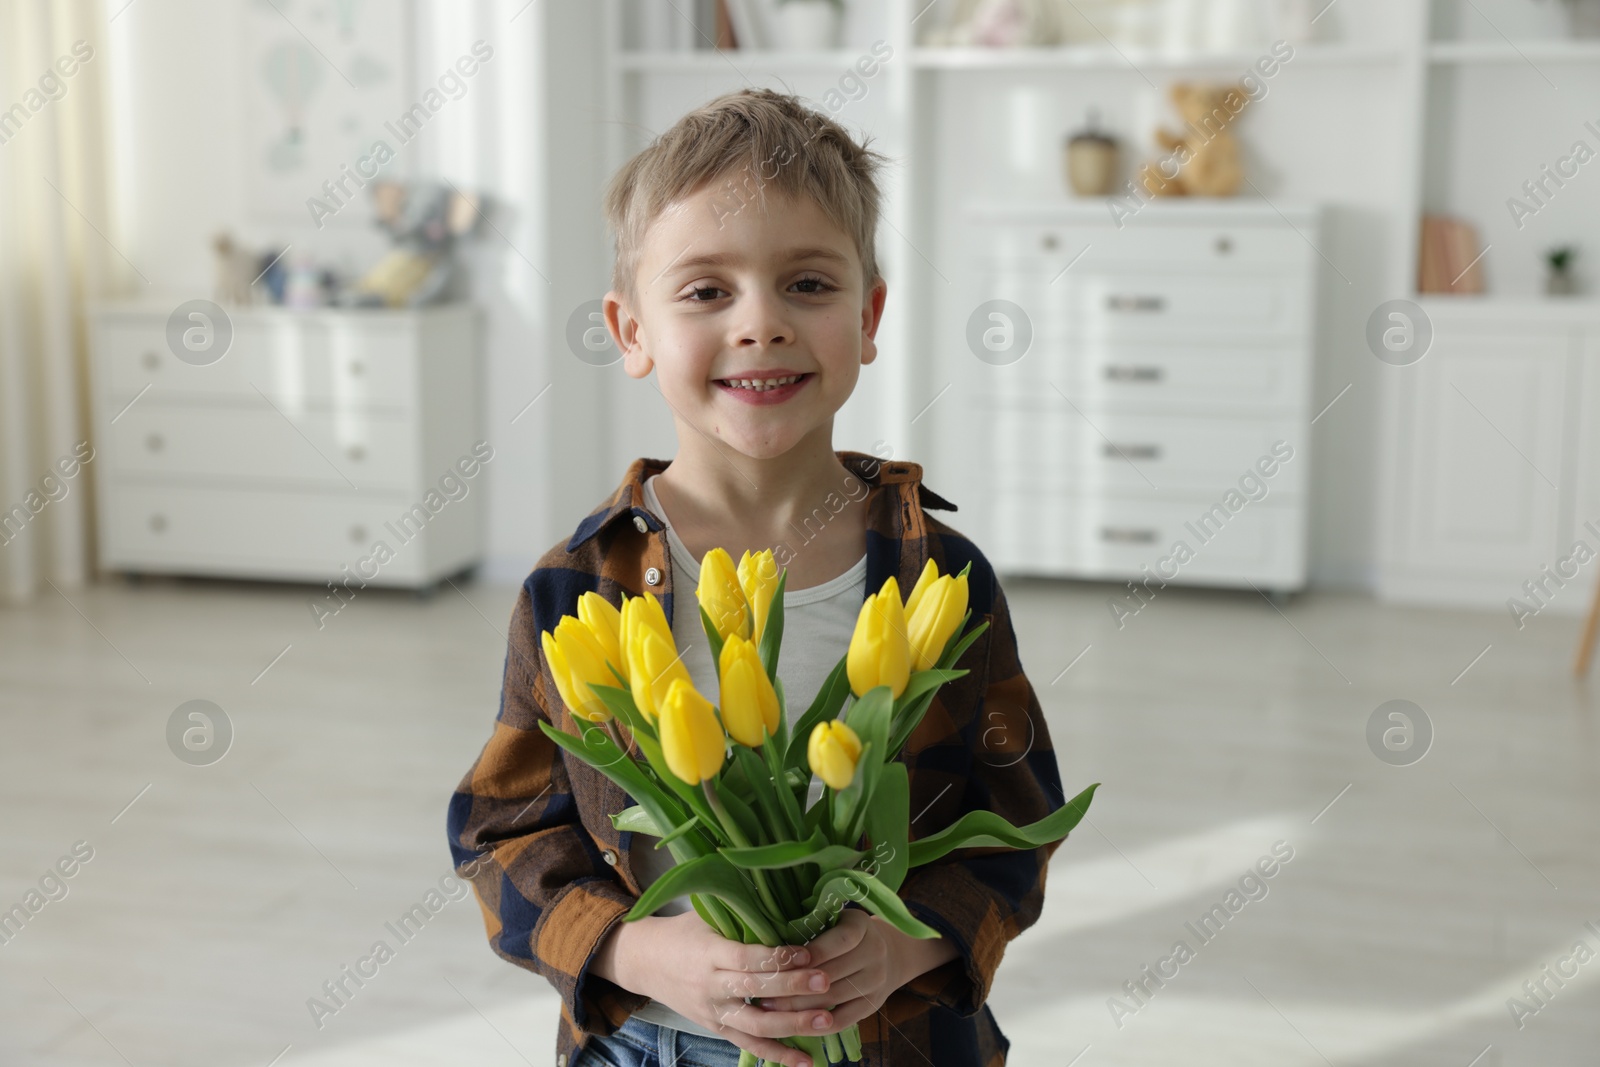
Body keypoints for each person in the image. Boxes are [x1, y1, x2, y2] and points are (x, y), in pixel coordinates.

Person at [445, 88, 1067, 1067]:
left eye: (808, 285)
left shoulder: (939, 575)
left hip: (896, 1033)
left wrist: (907, 942)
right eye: (705, 291)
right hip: (651, 1037)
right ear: (630, 329)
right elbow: (501, 830)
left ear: (868, 317)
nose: (760, 323)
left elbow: (1019, 820)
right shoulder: (576, 586)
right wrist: (640, 949)